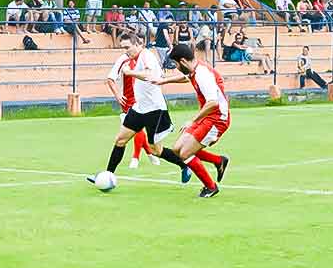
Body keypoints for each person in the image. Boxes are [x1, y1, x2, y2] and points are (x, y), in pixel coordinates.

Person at [87, 34, 192, 185]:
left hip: (154, 110)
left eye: (127, 47)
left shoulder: (146, 56)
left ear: (138, 44)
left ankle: (185, 165)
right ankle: (107, 175)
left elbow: (149, 74)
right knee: (120, 140)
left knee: (156, 150)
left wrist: (130, 73)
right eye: (123, 48)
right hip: (139, 108)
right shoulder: (133, 58)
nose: (126, 51)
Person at [157, 44, 231, 198]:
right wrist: (164, 81)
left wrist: (192, 121)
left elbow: (213, 102)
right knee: (177, 149)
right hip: (207, 116)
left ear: (183, 61)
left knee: (185, 153)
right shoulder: (194, 69)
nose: (176, 68)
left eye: (176, 64)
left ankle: (210, 187)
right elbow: (186, 78)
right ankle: (218, 161)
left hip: (217, 119)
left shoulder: (202, 74)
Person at [104, 49, 160, 169]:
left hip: (144, 99)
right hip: (129, 100)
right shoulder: (123, 59)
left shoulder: (146, 58)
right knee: (135, 129)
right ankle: (138, 157)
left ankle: (146, 154)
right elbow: (110, 79)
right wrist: (118, 95)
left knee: (135, 130)